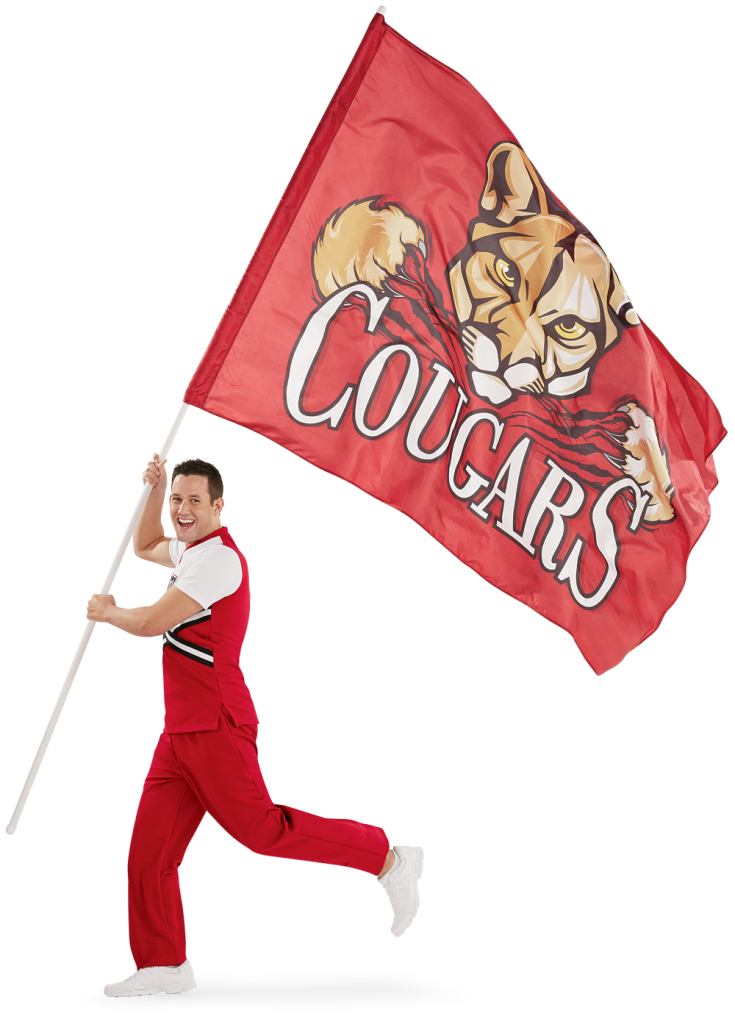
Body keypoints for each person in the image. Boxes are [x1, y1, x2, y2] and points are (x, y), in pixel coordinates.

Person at [86, 454, 419, 999]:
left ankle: (384, 856)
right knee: (149, 849)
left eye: (195, 500)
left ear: (219, 507)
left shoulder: (217, 560)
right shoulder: (190, 551)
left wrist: (107, 611)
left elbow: (150, 621)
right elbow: (147, 545)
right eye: (178, 500)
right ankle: (164, 965)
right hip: (180, 732)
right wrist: (153, 490)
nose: (183, 509)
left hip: (216, 721)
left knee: (261, 831)